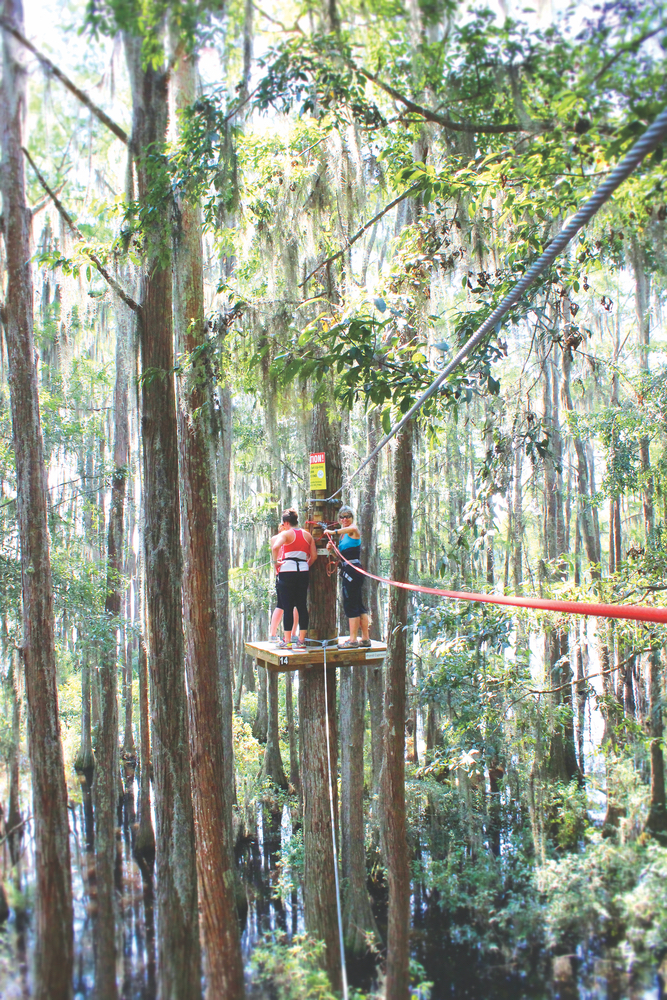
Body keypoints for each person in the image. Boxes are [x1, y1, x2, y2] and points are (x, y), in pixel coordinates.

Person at [270, 509, 317, 649]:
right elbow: (313, 556)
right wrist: (305, 565)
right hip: (302, 570)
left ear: (285, 523)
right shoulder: (307, 535)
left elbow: (275, 547)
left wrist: (276, 563)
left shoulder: (286, 533)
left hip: (287, 570)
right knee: (302, 605)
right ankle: (301, 640)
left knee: (288, 606)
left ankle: (288, 640)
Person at [325, 506, 371, 648]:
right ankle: (365, 638)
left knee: (351, 605)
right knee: (357, 605)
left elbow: (352, 529)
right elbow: (341, 557)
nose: (345, 519)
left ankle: (353, 640)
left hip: (353, 571)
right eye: (342, 517)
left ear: (352, 517)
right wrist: (332, 551)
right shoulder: (343, 536)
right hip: (347, 569)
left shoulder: (353, 530)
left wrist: (332, 531)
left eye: (348, 516)